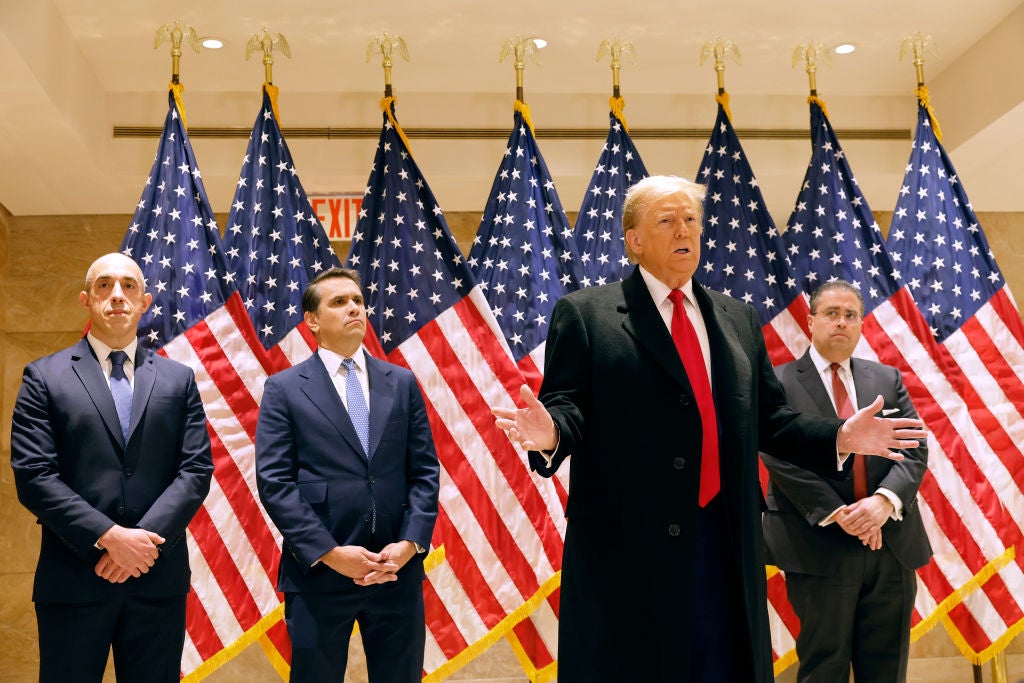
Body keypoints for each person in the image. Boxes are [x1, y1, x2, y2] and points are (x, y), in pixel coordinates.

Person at [491, 176, 927, 683]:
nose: (686, 230)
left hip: (725, 545)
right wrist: (552, 434)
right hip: (632, 554)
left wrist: (839, 437)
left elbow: (771, 421)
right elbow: (567, 407)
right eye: (667, 220)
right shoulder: (588, 315)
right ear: (634, 240)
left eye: (693, 220)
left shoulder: (737, 317)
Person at [10, 252, 214, 683]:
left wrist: (141, 545)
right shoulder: (44, 377)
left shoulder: (179, 380)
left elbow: (195, 471)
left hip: (156, 580)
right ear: (86, 299)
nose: (116, 295)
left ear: (145, 301)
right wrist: (109, 537)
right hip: (73, 579)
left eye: (128, 286)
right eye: (104, 285)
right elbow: (34, 476)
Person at [256, 267, 440, 683]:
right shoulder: (284, 388)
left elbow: (425, 470)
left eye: (357, 300)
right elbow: (275, 482)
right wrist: (332, 553)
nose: (353, 307)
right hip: (320, 573)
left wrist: (411, 544)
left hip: (396, 572)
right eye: (339, 302)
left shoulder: (403, 382)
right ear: (313, 321)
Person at [762, 280, 931, 683]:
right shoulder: (779, 381)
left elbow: (913, 449)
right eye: (832, 314)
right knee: (826, 667)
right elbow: (779, 456)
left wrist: (882, 503)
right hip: (818, 545)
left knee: (886, 670)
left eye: (850, 315)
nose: (842, 323)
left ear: (860, 323)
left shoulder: (885, 379)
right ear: (811, 320)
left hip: (890, 545)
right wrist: (841, 514)